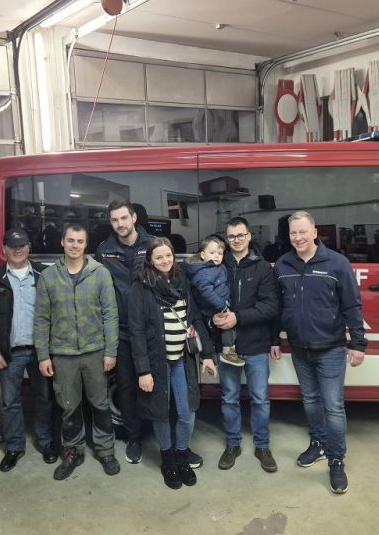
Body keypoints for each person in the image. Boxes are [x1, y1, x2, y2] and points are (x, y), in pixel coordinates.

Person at [96, 201, 203, 469]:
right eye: (114, 220)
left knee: (166, 390)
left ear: (133, 217)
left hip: (155, 331)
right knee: (126, 387)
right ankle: (133, 439)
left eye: (124, 218)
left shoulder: (153, 244)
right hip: (123, 330)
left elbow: (177, 273)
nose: (120, 224)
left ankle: (177, 447)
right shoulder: (104, 250)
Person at [274, 211, 367, 494]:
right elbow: (278, 307)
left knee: (333, 407)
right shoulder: (283, 264)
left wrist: (358, 343)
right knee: (311, 401)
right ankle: (318, 444)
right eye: (293, 233)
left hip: (331, 348)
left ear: (315, 232)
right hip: (299, 347)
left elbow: (352, 305)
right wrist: (274, 338)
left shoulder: (337, 263)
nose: (298, 237)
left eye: (303, 231)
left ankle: (336, 460)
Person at [128, 237, 217, 489]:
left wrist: (207, 355)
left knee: (187, 412)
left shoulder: (181, 280)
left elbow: (195, 318)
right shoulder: (141, 287)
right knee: (161, 412)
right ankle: (168, 458)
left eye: (168, 255)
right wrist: (143, 370)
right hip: (157, 362)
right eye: (159, 257)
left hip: (182, 360)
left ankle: (181, 453)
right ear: (150, 260)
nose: (165, 260)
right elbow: (136, 331)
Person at [34, 224, 120, 480]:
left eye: (80, 241)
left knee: (100, 404)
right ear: (62, 242)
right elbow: (41, 319)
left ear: (86, 244)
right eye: (70, 240)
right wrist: (43, 355)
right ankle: (73, 451)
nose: (75, 245)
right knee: (69, 407)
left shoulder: (100, 273)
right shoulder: (48, 276)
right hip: (63, 354)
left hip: (95, 352)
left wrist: (111, 351)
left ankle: (105, 450)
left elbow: (110, 314)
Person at [0, 228, 57, 473]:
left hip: (42, 351)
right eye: (12, 246)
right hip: (8, 352)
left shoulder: (45, 274)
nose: (17, 250)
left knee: (45, 398)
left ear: (29, 247)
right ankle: (14, 447)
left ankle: (46, 441)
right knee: (10, 402)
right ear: (4, 249)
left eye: (22, 245)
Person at [212, 217, 281, 473]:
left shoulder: (263, 268)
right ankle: (233, 444)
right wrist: (213, 318)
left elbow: (271, 306)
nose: (236, 240)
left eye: (240, 235)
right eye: (231, 236)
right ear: (226, 239)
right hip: (227, 346)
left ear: (249, 236)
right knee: (229, 398)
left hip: (256, 344)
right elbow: (205, 297)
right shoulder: (218, 266)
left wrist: (237, 318)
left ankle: (262, 446)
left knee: (260, 399)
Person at [183, 235, 244, 367]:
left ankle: (224, 351)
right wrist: (222, 306)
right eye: (212, 253)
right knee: (224, 327)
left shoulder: (219, 267)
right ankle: (223, 353)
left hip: (221, 304)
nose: (216, 255)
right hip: (211, 308)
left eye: (220, 253)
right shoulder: (204, 272)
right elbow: (206, 291)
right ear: (203, 255)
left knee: (227, 327)